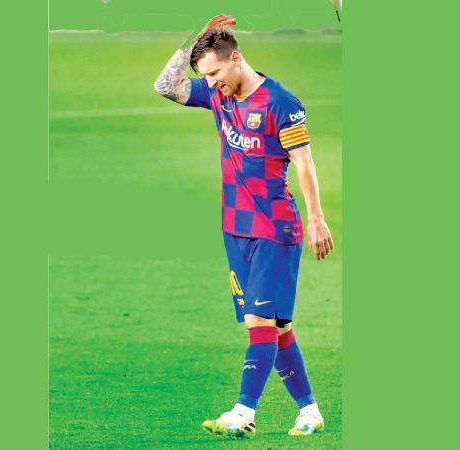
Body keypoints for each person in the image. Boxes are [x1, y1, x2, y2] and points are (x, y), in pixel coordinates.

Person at [153, 14, 334, 438]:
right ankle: (309, 411)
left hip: (275, 227)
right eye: (205, 76)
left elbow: (303, 162)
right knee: (279, 327)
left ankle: (243, 412)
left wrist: (317, 219)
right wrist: (194, 38)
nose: (211, 82)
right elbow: (164, 86)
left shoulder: (280, 103)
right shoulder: (219, 96)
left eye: (215, 72)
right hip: (234, 228)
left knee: (259, 321)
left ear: (236, 58)